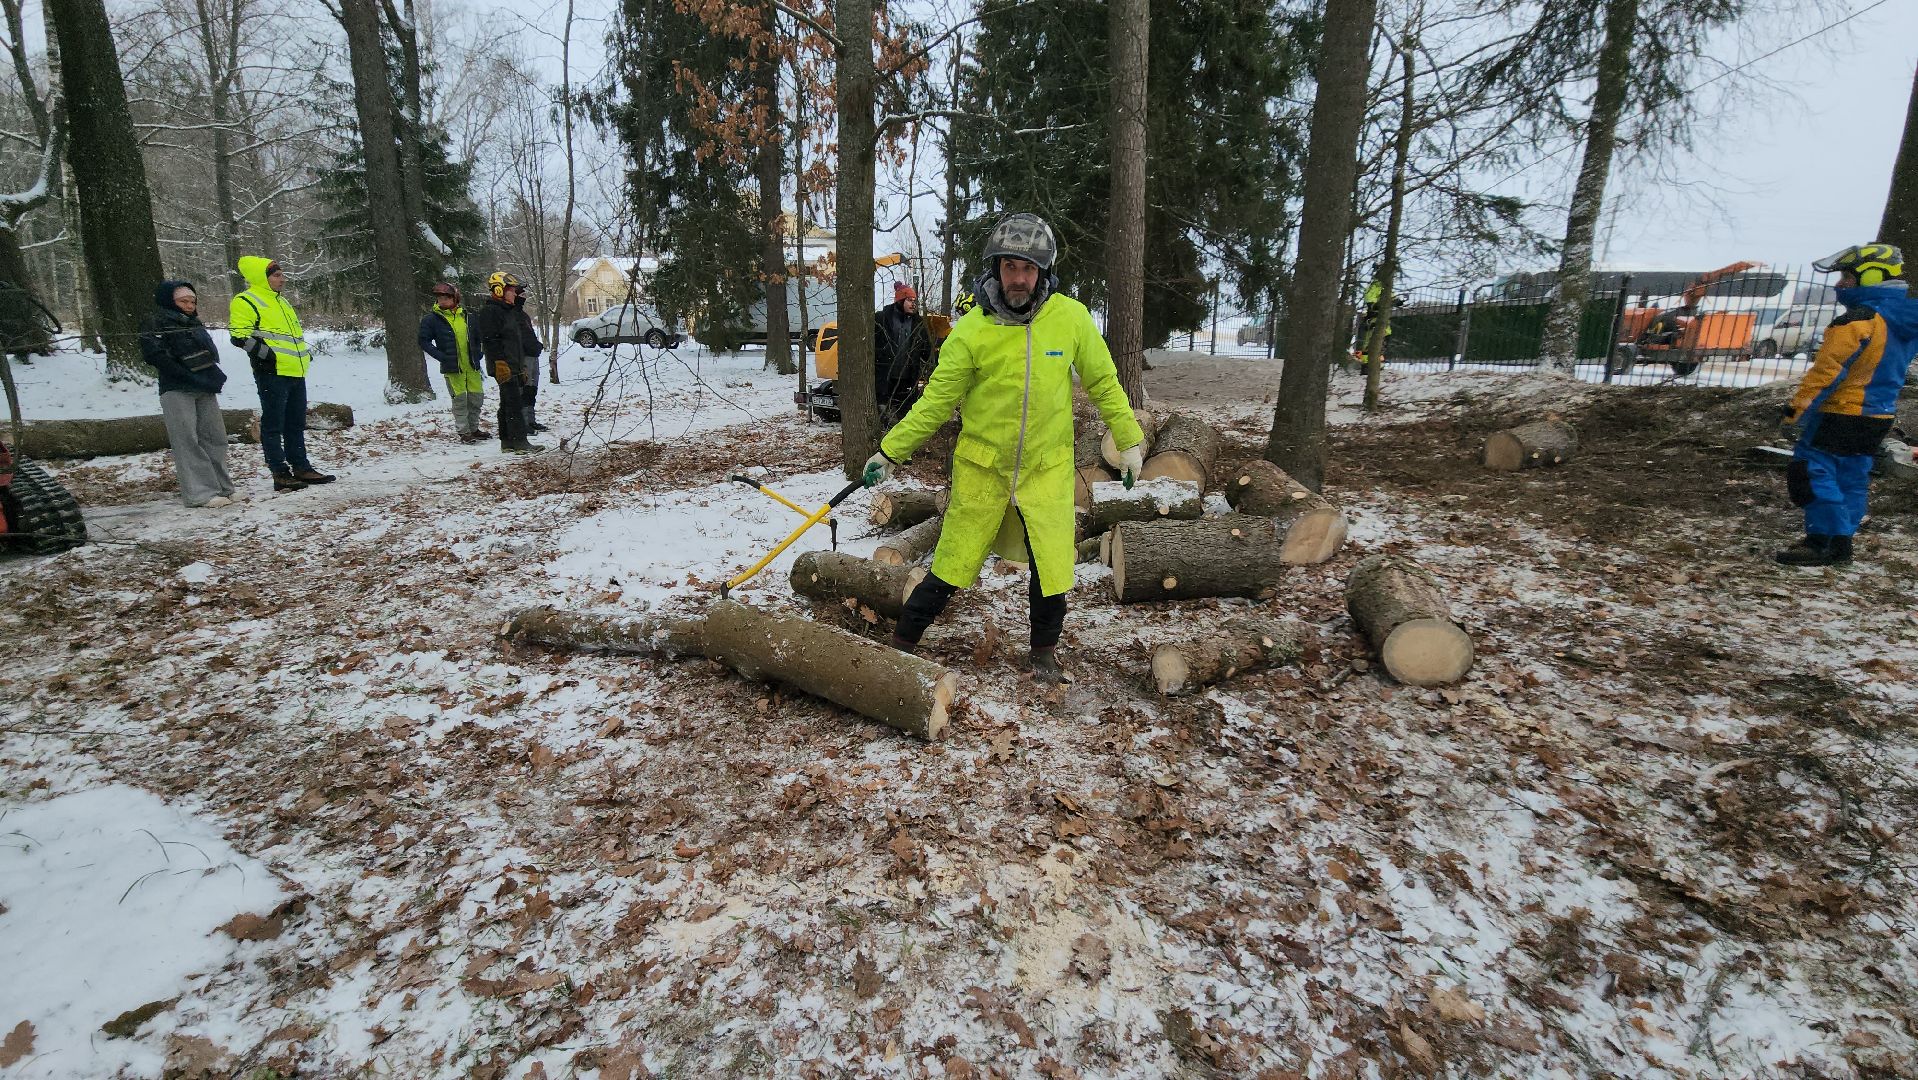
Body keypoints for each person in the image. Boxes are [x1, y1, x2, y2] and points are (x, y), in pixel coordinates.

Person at [861, 213, 1145, 682]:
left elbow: (1105, 383)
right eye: (1010, 266)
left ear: (1043, 272)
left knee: (1051, 568)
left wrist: (1130, 441)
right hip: (982, 468)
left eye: (1028, 268)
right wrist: (889, 452)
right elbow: (936, 402)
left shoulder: (1070, 320)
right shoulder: (972, 331)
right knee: (951, 563)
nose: (1018, 278)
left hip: (1046, 469)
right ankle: (903, 642)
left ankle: (1044, 653)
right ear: (996, 269)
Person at [1777, 243, 1918, 566]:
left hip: (1840, 413)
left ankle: (1823, 542)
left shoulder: (1856, 322)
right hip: (1879, 415)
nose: (1840, 284)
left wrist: (1794, 413)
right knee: (1853, 477)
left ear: (1870, 276)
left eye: (1847, 278)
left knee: (1812, 472)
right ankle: (1840, 542)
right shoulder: (1904, 320)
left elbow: (1826, 375)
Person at [229, 256, 334, 491]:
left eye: (281, 274)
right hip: (271, 372)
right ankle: (279, 471)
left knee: (295, 423)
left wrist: (303, 355)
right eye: (277, 275)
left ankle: (301, 466)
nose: (282, 279)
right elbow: (239, 336)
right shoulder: (245, 300)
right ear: (262, 278)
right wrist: (269, 357)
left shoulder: (282, 302)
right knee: (273, 423)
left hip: (296, 370)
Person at [141, 281, 236, 508]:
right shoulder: (155, 322)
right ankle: (200, 493)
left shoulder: (194, 323)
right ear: (169, 301)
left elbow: (207, 353)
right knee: (187, 441)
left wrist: (209, 376)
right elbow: (155, 355)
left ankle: (223, 487)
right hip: (176, 388)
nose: (189, 305)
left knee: (215, 438)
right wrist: (186, 373)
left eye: (192, 301)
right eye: (183, 301)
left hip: (204, 385)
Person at [471, 271, 544, 454]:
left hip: (514, 364)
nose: (514, 294)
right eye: (511, 290)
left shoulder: (509, 312)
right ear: (499, 290)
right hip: (503, 365)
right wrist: (499, 363)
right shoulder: (490, 312)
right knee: (513, 404)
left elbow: (516, 342)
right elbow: (491, 340)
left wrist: (521, 366)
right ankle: (520, 442)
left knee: (507, 403)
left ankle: (507, 441)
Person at [419, 282, 490, 444]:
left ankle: (474, 429)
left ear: (455, 298)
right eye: (439, 298)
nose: (442, 301)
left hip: (471, 366)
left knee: (475, 398)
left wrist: (479, 353)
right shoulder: (431, 319)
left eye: (446, 297)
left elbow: (480, 337)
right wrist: (441, 356)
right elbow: (424, 341)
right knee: (460, 401)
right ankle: (464, 432)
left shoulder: (467, 316)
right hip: (452, 368)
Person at [874, 282, 932, 423]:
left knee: (905, 416)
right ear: (900, 301)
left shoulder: (918, 323)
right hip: (884, 376)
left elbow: (927, 350)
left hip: (907, 378)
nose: (913, 304)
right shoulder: (882, 318)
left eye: (915, 301)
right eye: (909, 300)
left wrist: (933, 369)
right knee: (884, 415)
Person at [514, 289, 549, 434]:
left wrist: (537, 345)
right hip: (523, 357)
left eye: (525, 296)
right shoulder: (512, 315)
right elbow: (518, 338)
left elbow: (529, 335)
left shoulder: (523, 315)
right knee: (524, 388)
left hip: (532, 355)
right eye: (521, 295)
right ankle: (523, 421)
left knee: (532, 389)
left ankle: (531, 419)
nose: (524, 298)